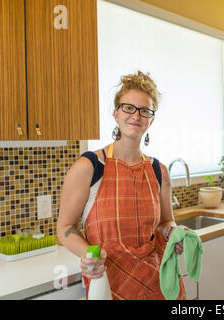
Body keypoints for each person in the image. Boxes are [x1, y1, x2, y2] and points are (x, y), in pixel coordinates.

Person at [57, 71, 186, 300]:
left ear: (151, 119)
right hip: (110, 286)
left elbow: (166, 222)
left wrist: (173, 232)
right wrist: (88, 254)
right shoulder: (89, 167)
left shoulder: (159, 171)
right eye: (129, 107)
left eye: (144, 110)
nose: (136, 115)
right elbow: (65, 228)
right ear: (116, 113)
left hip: (161, 287)